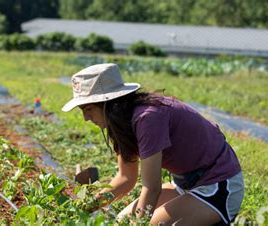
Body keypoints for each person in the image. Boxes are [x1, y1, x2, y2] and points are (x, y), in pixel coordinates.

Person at [62, 63, 244, 225]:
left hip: (218, 186)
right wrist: (81, 208)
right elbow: (125, 179)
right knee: (121, 221)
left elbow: (152, 188)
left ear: (107, 103)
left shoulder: (147, 118)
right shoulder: (121, 122)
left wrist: (138, 223)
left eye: (88, 109)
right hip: (186, 185)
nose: (86, 118)